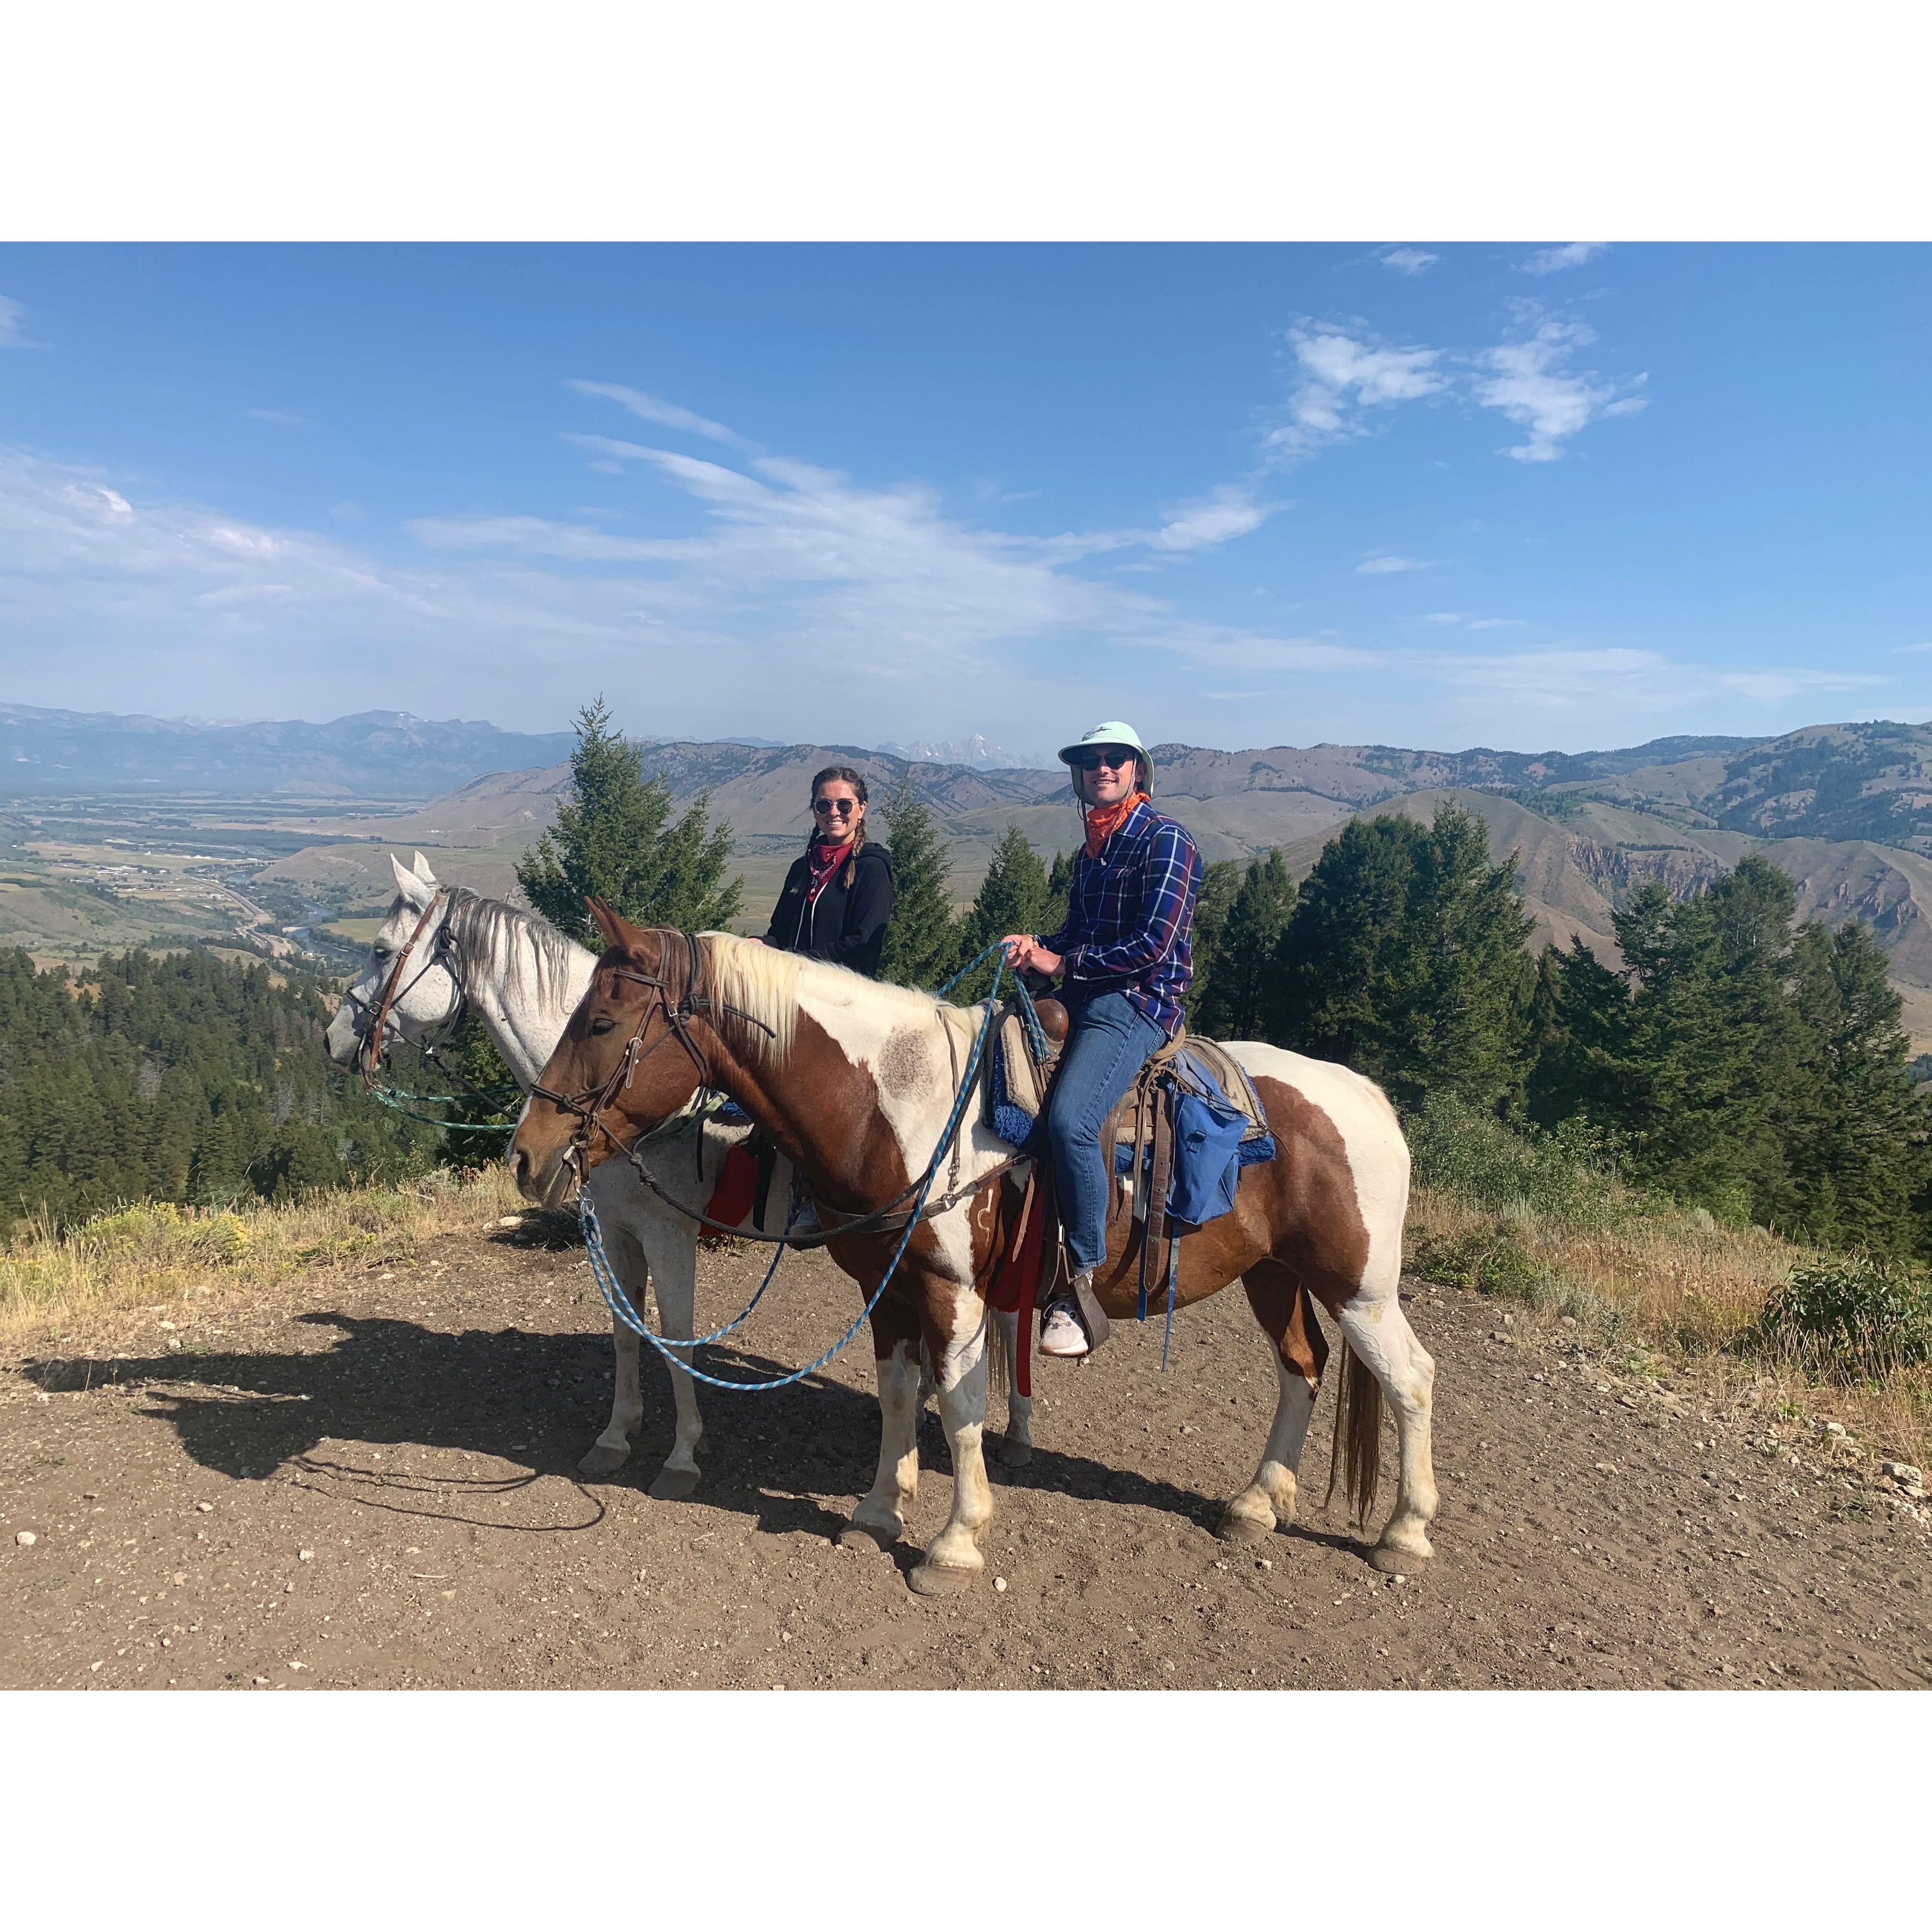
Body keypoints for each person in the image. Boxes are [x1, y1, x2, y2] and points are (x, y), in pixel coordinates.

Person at [1001, 722, 1203, 1358]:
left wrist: (1064, 964)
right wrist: (1037, 947)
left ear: (1137, 770)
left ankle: (1079, 1280)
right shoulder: (1093, 847)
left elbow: (1154, 946)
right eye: (1092, 761)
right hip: (1086, 991)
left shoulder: (1166, 839)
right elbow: (1074, 932)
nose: (1103, 768)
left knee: (1072, 1122)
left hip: (1138, 1002)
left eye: (1116, 759)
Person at [761, 764, 895, 977]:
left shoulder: (872, 868)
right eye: (824, 805)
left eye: (845, 805)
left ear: (861, 809)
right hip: (791, 986)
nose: (834, 812)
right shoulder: (801, 868)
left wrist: (797, 963)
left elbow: (862, 947)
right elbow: (779, 934)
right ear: (815, 811)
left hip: (840, 991)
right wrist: (758, 945)